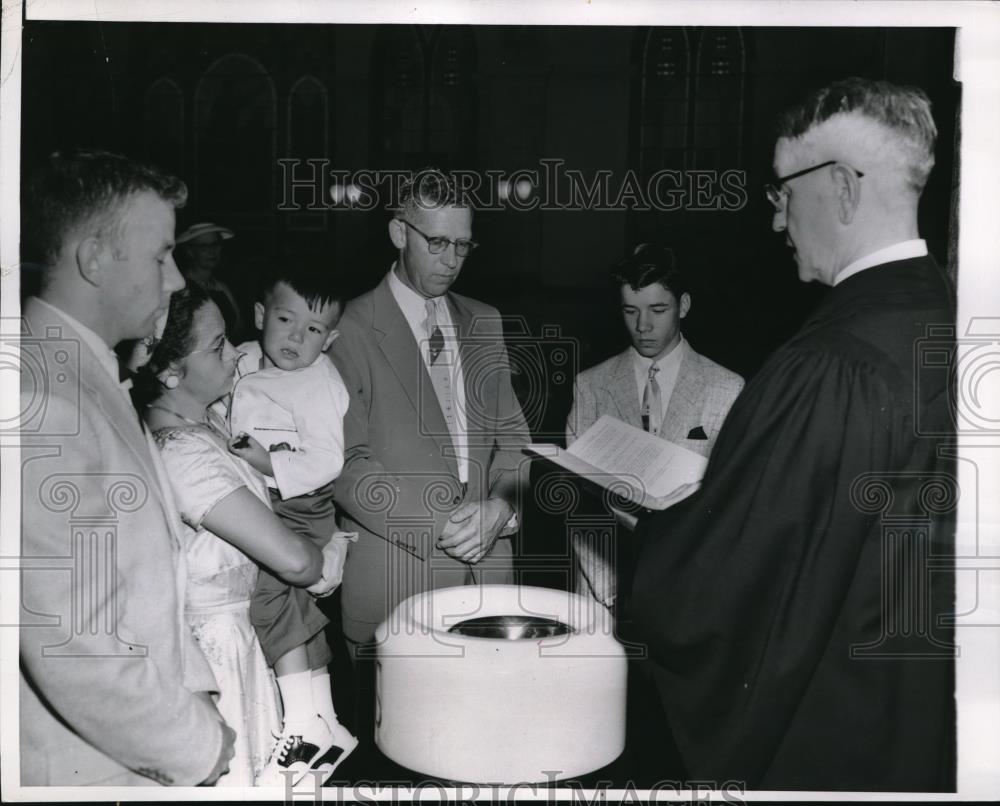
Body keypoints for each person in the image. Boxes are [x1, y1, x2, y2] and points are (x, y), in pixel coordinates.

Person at [630, 78, 955, 791]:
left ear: (840, 188)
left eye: (781, 192)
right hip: (920, 724)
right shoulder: (953, 320)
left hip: (829, 732)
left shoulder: (831, 364)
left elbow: (718, 587)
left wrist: (651, 528)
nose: (777, 221)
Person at [19, 148, 235, 786]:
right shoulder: (44, 400)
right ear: (93, 259)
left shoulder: (86, 372)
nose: (174, 280)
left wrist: (198, 697)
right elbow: (72, 643)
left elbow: (141, 578)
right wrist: (197, 745)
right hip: (89, 769)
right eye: (159, 255)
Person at [136, 284, 345, 786]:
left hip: (254, 641)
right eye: (218, 346)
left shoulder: (207, 420)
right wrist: (325, 557)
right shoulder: (181, 454)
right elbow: (294, 561)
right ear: (170, 371)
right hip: (219, 660)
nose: (236, 352)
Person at [329, 169, 531, 651]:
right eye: (437, 243)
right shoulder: (346, 328)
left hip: (489, 583)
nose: (452, 261)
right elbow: (346, 466)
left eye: (463, 246)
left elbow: (516, 443)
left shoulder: (484, 321)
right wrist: (444, 526)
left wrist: (501, 508)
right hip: (397, 584)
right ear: (399, 233)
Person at [225, 266, 358, 785]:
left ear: (331, 340)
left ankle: (302, 724)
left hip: (296, 504)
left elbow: (327, 459)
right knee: (298, 609)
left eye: (314, 331)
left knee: (269, 602)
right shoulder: (241, 357)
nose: (296, 339)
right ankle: (326, 719)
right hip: (262, 498)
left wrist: (265, 463)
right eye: (285, 320)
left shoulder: (320, 381)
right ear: (261, 315)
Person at [566, 244, 744, 610]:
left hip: (694, 593)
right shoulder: (590, 387)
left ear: (684, 306)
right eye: (630, 311)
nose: (642, 326)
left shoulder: (728, 388)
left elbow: (732, 505)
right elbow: (578, 503)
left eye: (658, 310)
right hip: (604, 595)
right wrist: (615, 590)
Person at [175, 222, 245, 341]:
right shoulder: (181, 289)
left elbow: (239, 329)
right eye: (203, 246)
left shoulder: (222, 288)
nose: (212, 251)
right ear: (190, 252)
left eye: (215, 244)